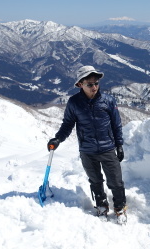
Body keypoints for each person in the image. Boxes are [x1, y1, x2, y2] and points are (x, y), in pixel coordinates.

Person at [47, 65, 127, 222]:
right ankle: (102, 205)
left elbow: (116, 124)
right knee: (95, 181)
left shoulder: (108, 101)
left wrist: (119, 145)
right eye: (90, 84)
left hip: (107, 148)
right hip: (87, 150)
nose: (94, 87)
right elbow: (67, 124)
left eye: (96, 83)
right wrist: (58, 138)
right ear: (80, 84)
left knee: (116, 181)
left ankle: (120, 207)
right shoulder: (74, 103)